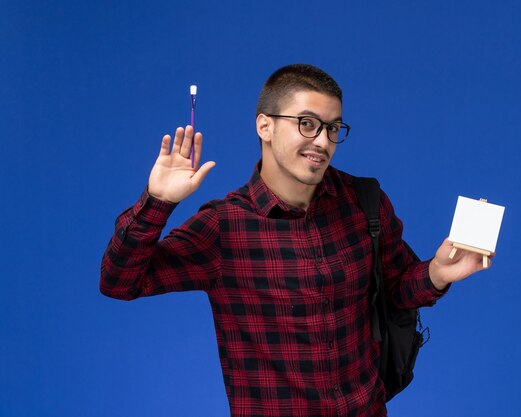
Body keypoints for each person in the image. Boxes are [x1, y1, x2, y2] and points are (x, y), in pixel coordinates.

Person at [100, 64, 491, 417]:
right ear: (264, 126)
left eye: (332, 127)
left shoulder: (364, 201)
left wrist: (438, 273)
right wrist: (158, 202)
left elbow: (395, 289)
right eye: (307, 123)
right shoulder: (224, 227)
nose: (322, 141)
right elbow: (120, 283)